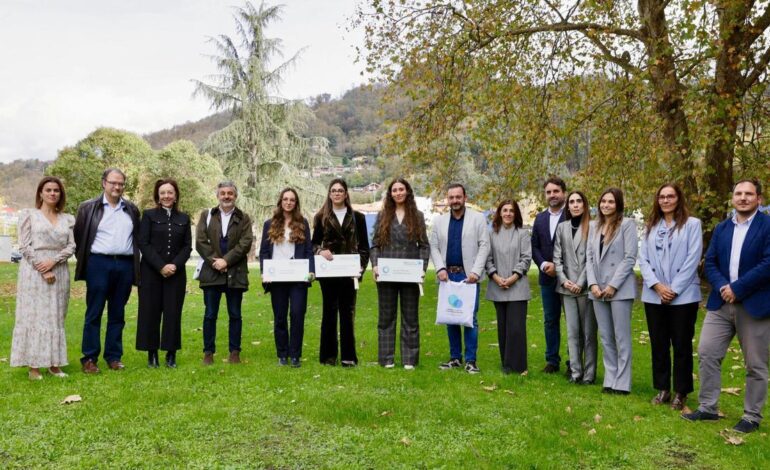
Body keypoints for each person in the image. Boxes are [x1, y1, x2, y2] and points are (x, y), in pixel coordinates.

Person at [683, 179, 770, 434]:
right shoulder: (722, 228)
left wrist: (738, 288)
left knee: (755, 364)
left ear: (759, 199)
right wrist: (724, 287)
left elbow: (768, 263)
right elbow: (710, 262)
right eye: (738, 193)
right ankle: (708, 408)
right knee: (707, 352)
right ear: (732, 198)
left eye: (749, 194)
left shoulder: (767, 226)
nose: (743, 198)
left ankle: (751, 416)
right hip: (721, 302)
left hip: (754, 304)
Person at [639, 184, 702, 410]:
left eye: (670, 196)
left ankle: (681, 391)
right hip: (654, 295)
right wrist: (656, 286)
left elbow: (693, 258)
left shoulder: (692, 225)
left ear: (678, 199)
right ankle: (663, 388)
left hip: (683, 296)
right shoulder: (650, 226)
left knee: (682, 344)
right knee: (659, 343)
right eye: (662, 197)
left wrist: (672, 289)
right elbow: (643, 259)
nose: (666, 200)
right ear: (657, 200)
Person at [74, 168, 140, 373]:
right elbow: (79, 237)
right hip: (98, 264)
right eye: (113, 182)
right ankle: (89, 358)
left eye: (121, 183)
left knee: (117, 313)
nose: (117, 187)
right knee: (94, 312)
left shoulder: (131, 209)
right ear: (104, 183)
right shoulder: (88, 208)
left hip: (125, 265)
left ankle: (113, 357)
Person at [11, 177, 75, 380]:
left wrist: (54, 262)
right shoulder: (29, 215)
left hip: (60, 271)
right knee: (34, 316)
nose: (52, 193)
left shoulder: (68, 219)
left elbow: (72, 246)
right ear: (40, 193)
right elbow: (24, 245)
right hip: (34, 272)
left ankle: (54, 365)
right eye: (48, 190)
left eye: (56, 190)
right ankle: (34, 367)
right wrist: (42, 267)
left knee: (56, 316)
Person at [429, 183, 490, 374]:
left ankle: (471, 360)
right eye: (451, 197)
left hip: (468, 276)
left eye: (458, 197)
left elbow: (484, 245)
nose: (455, 201)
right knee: (451, 317)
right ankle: (455, 358)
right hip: (448, 275)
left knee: (469, 318)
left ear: (465, 197)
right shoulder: (439, 221)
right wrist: (439, 268)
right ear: (448, 200)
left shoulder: (477, 219)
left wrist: (476, 271)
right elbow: (434, 246)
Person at [371, 178, 430, 370]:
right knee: (386, 317)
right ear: (390, 194)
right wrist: (375, 266)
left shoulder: (418, 216)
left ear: (407, 192)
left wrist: (422, 269)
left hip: (410, 274)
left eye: (401, 189)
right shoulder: (382, 216)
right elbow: (375, 245)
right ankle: (386, 358)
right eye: (394, 190)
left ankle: (409, 359)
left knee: (410, 317)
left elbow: (424, 246)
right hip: (387, 274)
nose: (398, 193)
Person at [311, 178, 370, 367]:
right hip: (328, 273)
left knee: (347, 313)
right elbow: (312, 245)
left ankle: (348, 357)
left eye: (340, 190)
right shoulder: (320, 217)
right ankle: (328, 357)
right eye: (333, 190)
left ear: (346, 194)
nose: (337, 193)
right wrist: (321, 252)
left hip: (350, 273)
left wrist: (360, 268)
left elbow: (364, 248)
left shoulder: (358, 218)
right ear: (329, 194)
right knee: (329, 313)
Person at [586, 187, 638, 395]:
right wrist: (593, 285)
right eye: (603, 201)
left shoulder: (627, 225)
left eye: (610, 202)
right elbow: (589, 258)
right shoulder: (593, 226)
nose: (606, 205)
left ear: (618, 205)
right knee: (606, 336)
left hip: (619, 289)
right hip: (597, 290)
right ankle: (610, 377)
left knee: (621, 336)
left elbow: (629, 258)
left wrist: (612, 285)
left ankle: (623, 382)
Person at [196, 181, 254, 365]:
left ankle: (234, 352)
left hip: (235, 272)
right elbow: (200, 241)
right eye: (223, 193)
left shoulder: (244, 217)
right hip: (211, 273)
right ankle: (208, 352)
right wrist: (216, 261)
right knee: (210, 314)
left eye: (230, 193)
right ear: (217, 195)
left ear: (235, 196)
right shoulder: (207, 215)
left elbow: (245, 243)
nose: (226, 196)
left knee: (235, 314)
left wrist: (226, 261)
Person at [136, 179, 192, 368]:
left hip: (176, 274)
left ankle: (171, 354)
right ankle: (152, 354)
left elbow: (187, 247)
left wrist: (174, 265)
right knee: (150, 312)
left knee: (172, 313)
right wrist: (161, 266)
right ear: (157, 196)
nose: (166, 196)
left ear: (175, 195)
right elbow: (143, 243)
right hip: (151, 272)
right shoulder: (149, 215)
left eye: (170, 192)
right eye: (163, 193)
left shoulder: (184, 218)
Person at [259, 188, 314, 368]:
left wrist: (311, 271)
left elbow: (308, 251)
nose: (288, 202)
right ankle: (282, 354)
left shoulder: (303, 223)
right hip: (277, 278)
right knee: (280, 317)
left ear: (296, 203)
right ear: (280, 202)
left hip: (298, 277)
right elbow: (264, 252)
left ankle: (295, 355)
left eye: (292, 200)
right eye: (285, 199)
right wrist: (264, 272)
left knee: (297, 315)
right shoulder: (270, 224)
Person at [553, 191, 597, 385]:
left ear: (585, 205)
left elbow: (592, 259)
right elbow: (557, 257)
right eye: (572, 202)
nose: (575, 205)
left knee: (588, 333)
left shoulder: (594, 227)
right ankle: (575, 372)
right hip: (566, 288)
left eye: (579, 201)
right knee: (572, 332)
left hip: (585, 288)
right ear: (568, 206)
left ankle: (589, 374)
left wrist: (580, 282)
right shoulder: (562, 228)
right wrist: (564, 280)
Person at [485, 199, 531, 374]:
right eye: (505, 210)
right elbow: (487, 259)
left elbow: (526, 258)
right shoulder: (492, 234)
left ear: (516, 213)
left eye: (511, 210)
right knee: (503, 327)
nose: (508, 213)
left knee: (516, 328)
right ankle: (506, 363)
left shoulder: (523, 233)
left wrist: (512, 278)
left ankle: (519, 366)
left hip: (517, 286)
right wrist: (495, 277)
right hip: (498, 285)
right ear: (499, 213)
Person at [531, 176, 567, 374]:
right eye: (549, 192)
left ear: (564, 193)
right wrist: (544, 264)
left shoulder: (572, 215)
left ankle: (574, 362)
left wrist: (559, 267)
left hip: (569, 278)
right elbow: (534, 246)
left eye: (556, 191)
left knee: (573, 321)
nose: (552, 195)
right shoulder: (540, 218)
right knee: (550, 320)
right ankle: (552, 360)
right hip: (546, 278)